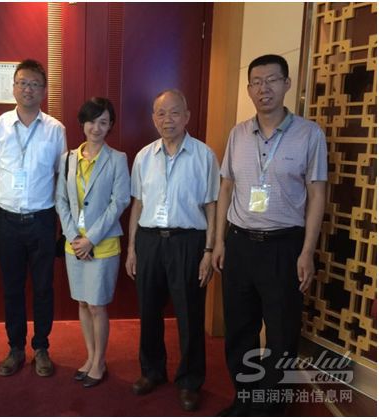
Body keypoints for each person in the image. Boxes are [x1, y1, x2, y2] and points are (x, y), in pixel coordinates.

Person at [212, 54, 327, 416]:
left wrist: (307, 251)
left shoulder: (309, 134)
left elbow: (317, 194)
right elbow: (226, 187)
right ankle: (245, 398)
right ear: (249, 89)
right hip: (239, 244)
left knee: (281, 332)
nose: (264, 88)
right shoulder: (237, 134)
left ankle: (271, 405)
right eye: (257, 82)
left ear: (287, 84)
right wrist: (219, 241)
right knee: (239, 328)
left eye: (272, 80)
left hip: (283, 246)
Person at [125, 89, 220, 411]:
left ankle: (190, 381)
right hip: (149, 241)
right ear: (153, 118)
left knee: (190, 315)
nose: (168, 119)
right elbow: (138, 204)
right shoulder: (143, 156)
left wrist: (209, 251)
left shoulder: (204, 156)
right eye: (161, 113)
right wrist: (132, 249)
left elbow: (211, 206)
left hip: (188, 242)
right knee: (149, 311)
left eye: (175, 112)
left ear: (187, 116)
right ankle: (152, 371)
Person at [0, 59, 66, 378]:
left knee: (43, 287)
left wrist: (58, 217)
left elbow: (61, 176)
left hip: (42, 220)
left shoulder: (56, 129)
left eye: (35, 84)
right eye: (22, 83)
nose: (28, 89)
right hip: (8, 222)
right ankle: (15, 348)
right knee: (12, 287)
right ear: (13, 87)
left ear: (44, 90)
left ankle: (41, 347)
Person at [55, 97, 130, 388]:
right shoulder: (68, 158)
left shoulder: (117, 159)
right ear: (82, 123)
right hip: (74, 245)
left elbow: (119, 202)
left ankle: (99, 361)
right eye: (91, 121)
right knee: (83, 303)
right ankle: (89, 356)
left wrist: (91, 239)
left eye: (103, 122)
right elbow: (61, 200)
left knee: (97, 305)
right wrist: (74, 237)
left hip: (103, 244)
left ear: (111, 126)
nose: (96, 128)